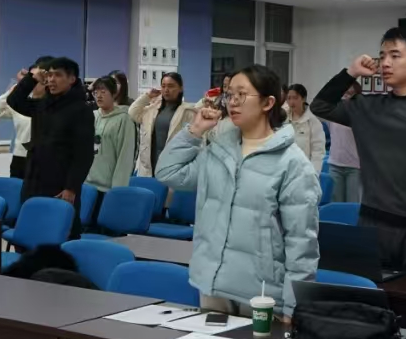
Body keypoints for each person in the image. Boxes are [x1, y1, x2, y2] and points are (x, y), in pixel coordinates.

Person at [157, 64, 320, 318]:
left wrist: (293, 306)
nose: (232, 102)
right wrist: (194, 131)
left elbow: (301, 244)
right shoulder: (219, 150)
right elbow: (168, 173)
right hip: (212, 285)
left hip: (262, 295)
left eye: (241, 95)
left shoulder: (293, 164)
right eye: (230, 95)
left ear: (268, 103)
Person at [311, 27, 406, 273]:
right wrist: (351, 72)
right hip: (374, 223)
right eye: (382, 56)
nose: (385, 63)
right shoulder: (368, 106)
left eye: (395, 56)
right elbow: (320, 106)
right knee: (370, 292)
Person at [7, 57, 95, 236]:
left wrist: (71, 188)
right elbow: (14, 101)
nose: (51, 79)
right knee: (29, 232)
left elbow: (84, 154)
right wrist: (32, 78)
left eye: (58, 75)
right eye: (49, 75)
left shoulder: (81, 109)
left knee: (58, 234)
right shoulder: (44, 105)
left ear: (72, 79)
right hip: (34, 179)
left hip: (60, 183)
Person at [86, 76, 137, 229]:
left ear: (114, 94)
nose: (99, 96)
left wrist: (117, 191)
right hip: (87, 186)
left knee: (104, 230)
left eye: (103, 92)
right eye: (96, 92)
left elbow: (125, 157)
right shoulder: (92, 116)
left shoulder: (124, 119)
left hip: (107, 188)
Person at [0, 56, 52, 179]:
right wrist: (19, 86)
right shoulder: (22, 104)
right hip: (20, 157)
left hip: (45, 158)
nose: (35, 83)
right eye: (33, 79)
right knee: (17, 188)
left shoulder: (53, 105)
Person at [130, 73, 196, 178]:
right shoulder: (152, 109)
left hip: (174, 166)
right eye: (163, 86)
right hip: (148, 166)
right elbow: (133, 113)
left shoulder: (188, 112)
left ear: (180, 88)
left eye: (171, 86)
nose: (166, 90)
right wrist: (148, 96)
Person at [325, 81, 363, 204]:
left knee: (352, 203)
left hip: (354, 166)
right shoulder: (332, 112)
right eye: (344, 93)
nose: (346, 96)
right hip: (335, 164)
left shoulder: (361, 115)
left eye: (350, 93)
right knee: (335, 203)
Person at [285, 84, 326, 171]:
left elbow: (318, 151)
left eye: (295, 98)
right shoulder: (283, 118)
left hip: (304, 169)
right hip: (285, 167)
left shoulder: (312, 121)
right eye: (288, 98)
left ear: (303, 98)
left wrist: (314, 172)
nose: (291, 102)